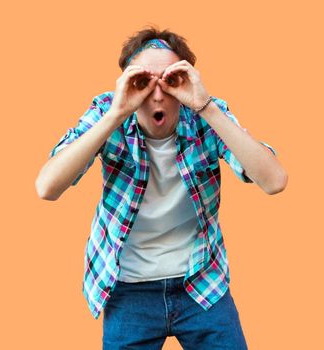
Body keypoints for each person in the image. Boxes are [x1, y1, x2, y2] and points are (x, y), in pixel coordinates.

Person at [36, 26, 288, 349]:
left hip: (200, 281)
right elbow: (47, 186)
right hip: (129, 288)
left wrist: (206, 107)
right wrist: (116, 113)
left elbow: (275, 180)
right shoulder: (107, 113)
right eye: (143, 82)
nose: (157, 95)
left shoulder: (205, 115)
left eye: (170, 81)